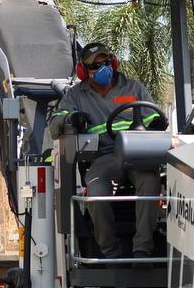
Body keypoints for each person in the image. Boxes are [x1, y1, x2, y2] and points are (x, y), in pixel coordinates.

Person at [47, 42, 169, 259]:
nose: (102, 68)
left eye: (105, 62)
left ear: (112, 62)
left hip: (137, 155)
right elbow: (54, 127)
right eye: (94, 66)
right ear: (84, 71)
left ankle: (143, 249)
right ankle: (110, 254)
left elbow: (155, 117)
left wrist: (158, 125)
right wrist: (70, 117)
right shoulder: (76, 96)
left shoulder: (134, 88)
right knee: (96, 193)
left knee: (150, 182)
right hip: (103, 158)